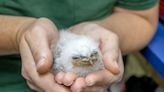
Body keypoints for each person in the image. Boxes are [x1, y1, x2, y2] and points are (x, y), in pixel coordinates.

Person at [0, 0, 159, 92]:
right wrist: (18, 33)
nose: (88, 61)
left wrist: (107, 35)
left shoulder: (87, 56)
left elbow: (141, 17)